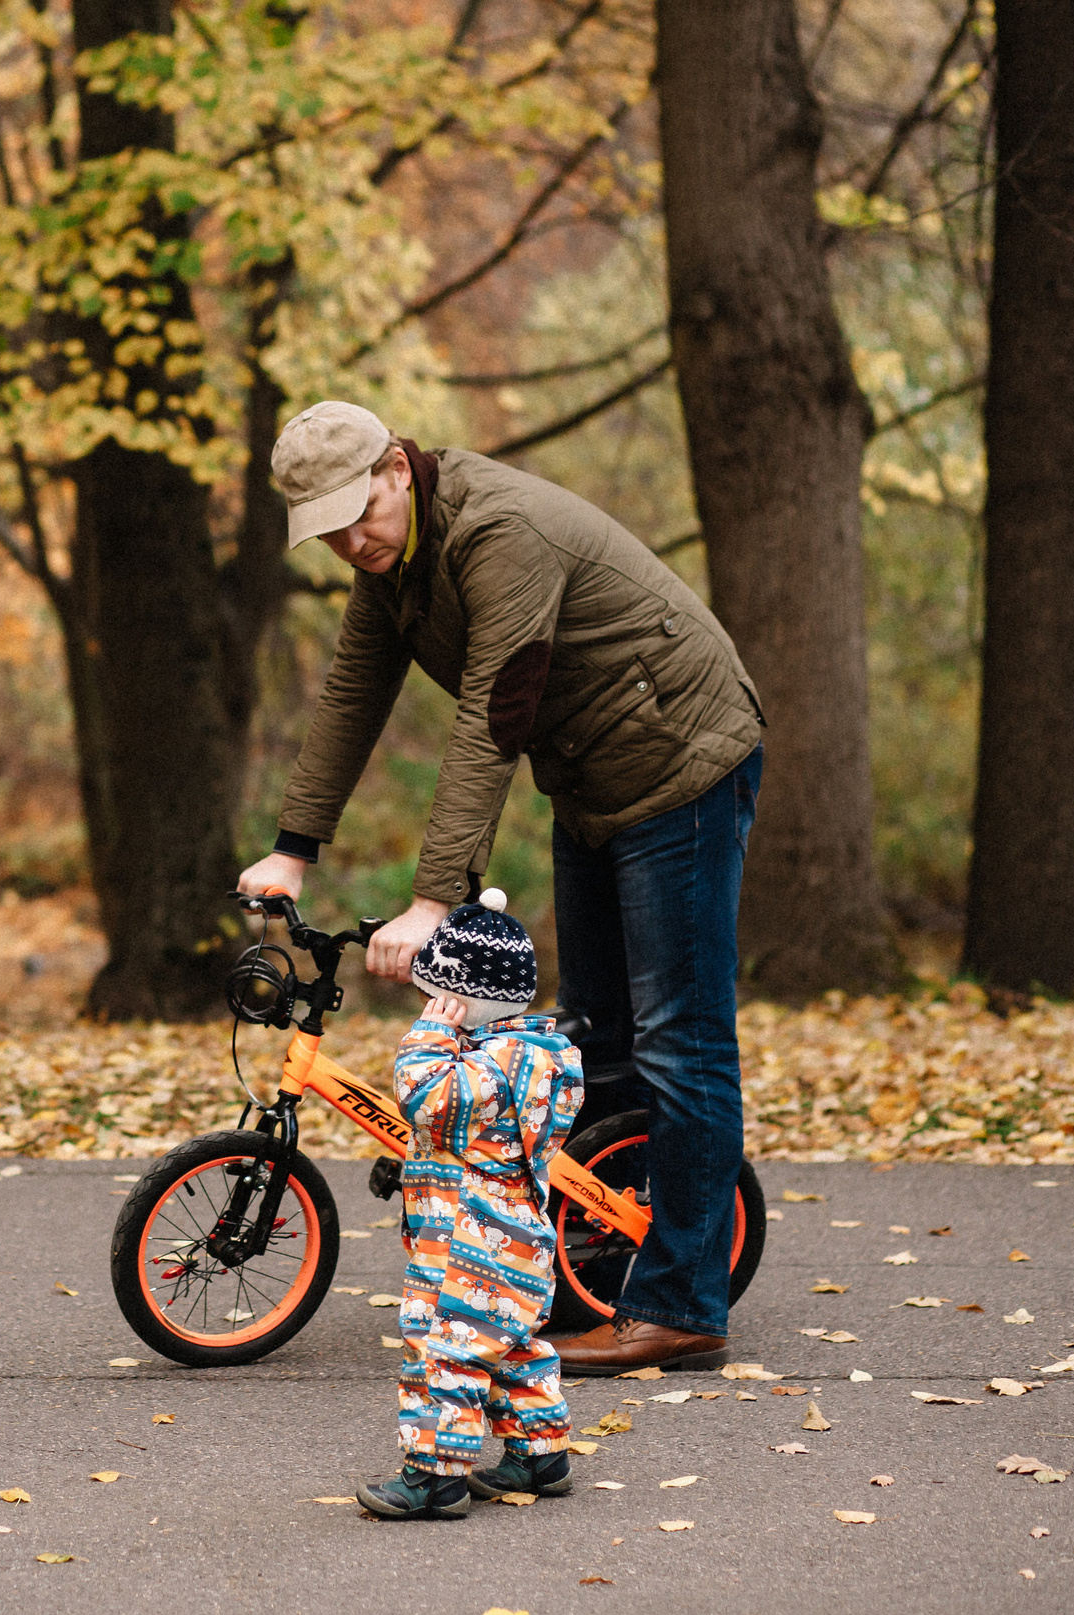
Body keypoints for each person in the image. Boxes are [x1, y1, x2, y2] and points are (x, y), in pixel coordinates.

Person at [236, 401, 763, 1373]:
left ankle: (683, 1305)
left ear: (397, 470)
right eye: (328, 532)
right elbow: (351, 695)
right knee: (591, 1034)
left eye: (358, 514)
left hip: (681, 761)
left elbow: (494, 717)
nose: (351, 543)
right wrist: (292, 848)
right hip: (593, 779)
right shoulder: (394, 565)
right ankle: (591, 1262)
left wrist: (432, 901)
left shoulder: (499, 534)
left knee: (678, 1037)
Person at [358, 890, 584, 1520]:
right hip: (517, 1235)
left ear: (459, 1001)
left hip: (467, 1243)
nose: (425, 1008)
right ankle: (541, 1456)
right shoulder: (539, 1058)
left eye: (433, 997)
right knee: (510, 1345)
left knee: (443, 1350)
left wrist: (428, 1037)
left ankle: (435, 1477)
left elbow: (424, 1099)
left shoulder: (481, 1070)